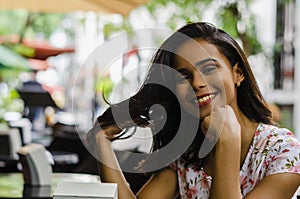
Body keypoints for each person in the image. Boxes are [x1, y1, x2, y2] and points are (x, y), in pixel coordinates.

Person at [87, 22, 300, 198]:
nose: (197, 82)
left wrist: (228, 142)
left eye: (209, 68)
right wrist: (100, 140)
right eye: (184, 76)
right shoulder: (185, 155)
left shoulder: (283, 152)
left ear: (238, 74)